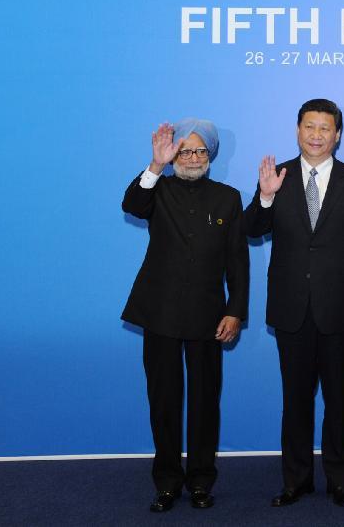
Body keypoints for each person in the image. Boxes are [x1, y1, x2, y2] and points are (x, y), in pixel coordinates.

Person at [244, 99, 344, 508]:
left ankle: (341, 480)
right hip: (292, 309)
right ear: (297, 130)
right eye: (310, 127)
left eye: (325, 128)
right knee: (295, 401)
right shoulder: (278, 177)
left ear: (338, 134)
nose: (317, 135)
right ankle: (296, 480)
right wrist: (266, 198)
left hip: (341, 309)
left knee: (339, 400)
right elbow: (252, 229)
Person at [122, 119, 249, 513]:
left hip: (208, 315)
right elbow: (132, 205)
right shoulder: (156, 188)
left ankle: (200, 481)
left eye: (200, 151)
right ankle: (166, 482)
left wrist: (235, 311)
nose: (192, 158)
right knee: (163, 400)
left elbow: (238, 264)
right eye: (185, 151)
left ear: (210, 157)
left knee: (204, 401)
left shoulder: (228, 198)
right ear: (174, 154)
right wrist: (155, 165)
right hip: (159, 311)